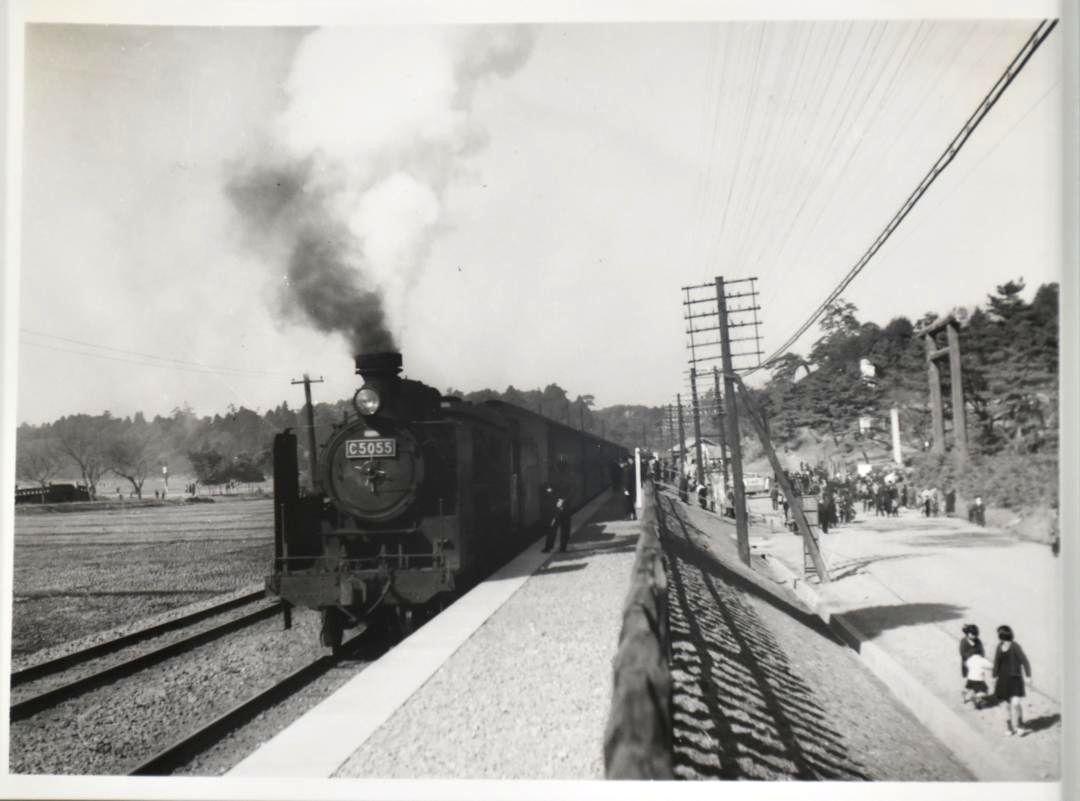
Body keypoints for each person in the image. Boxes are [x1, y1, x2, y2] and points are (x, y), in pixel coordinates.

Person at [992, 625, 1032, 736]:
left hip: (1015, 680)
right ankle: (1009, 726)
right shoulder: (999, 647)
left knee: (1015, 703)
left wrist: (1028, 676)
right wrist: (994, 676)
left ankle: (1020, 724)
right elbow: (996, 663)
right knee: (1007, 706)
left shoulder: (1015, 646)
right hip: (1003, 680)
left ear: (1002, 635)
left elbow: (1025, 661)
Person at [540, 476, 572, 554]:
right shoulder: (568, 478)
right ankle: (562, 548)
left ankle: (549, 547)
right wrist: (562, 500)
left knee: (553, 527)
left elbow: (548, 489)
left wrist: (557, 499)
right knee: (564, 528)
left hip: (557, 507)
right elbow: (572, 491)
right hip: (563, 506)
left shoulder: (553, 477)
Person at [959, 624, 986, 705]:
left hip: (977, 665)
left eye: (975, 634)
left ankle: (966, 692)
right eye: (972, 634)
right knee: (976, 682)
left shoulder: (978, 641)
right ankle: (977, 698)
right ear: (968, 633)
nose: (974, 636)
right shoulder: (964, 642)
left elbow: (982, 651)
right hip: (968, 666)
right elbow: (963, 653)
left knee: (973, 682)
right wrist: (973, 657)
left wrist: (981, 658)